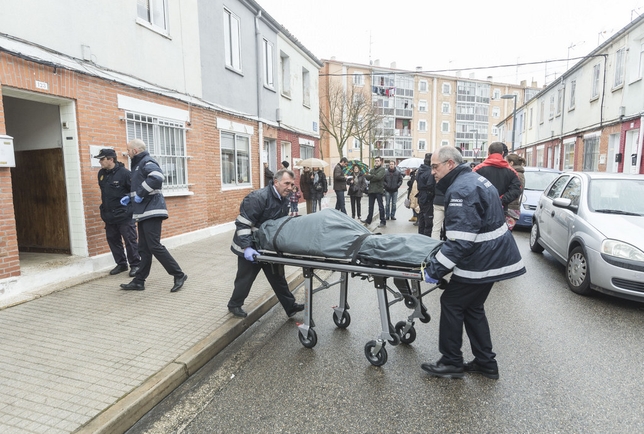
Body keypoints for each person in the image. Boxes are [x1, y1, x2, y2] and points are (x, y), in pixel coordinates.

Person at [421, 146, 526, 379]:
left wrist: (435, 269)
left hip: (482, 258)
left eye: (435, 167)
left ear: (450, 164)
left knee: (452, 303)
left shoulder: (461, 190)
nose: (432, 173)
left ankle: (451, 362)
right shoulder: (472, 180)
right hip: (492, 255)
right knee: (472, 307)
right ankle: (486, 363)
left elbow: (461, 241)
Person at [227, 169, 305, 318]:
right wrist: (247, 247)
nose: (290, 188)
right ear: (276, 182)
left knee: (278, 278)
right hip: (250, 247)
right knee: (245, 279)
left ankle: (290, 306)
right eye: (286, 183)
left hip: (267, 247)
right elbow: (243, 224)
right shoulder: (258, 198)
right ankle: (234, 305)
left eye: (292, 184)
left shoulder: (284, 199)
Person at [119, 139, 188, 293]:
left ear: (135, 151)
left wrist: (140, 194)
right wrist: (130, 199)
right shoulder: (138, 165)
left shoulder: (146, 161)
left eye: (128, 150)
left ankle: (179, 274)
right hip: (144, 212)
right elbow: (140, 189)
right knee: (143, 248)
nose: (127, 153)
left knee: (154, 246)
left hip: (152, 211)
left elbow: (157, 177)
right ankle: (139, 281)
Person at [95, 148, 141, 277]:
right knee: (113, 240)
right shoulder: (101, 174)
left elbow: (134, 192)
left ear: (111, 159)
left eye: (102, 159)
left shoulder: (125, 174)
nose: (100, 162)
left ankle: (136, 265)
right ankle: (121, 264)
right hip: (109, 214)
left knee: (130, 240)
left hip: (124, 214)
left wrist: (128, 206)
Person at [472, 142, 522, 217]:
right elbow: (516, 189)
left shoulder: (477, 170)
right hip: (501, 212)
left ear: (488, 153)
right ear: (502, 153)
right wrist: (501, 200)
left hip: (480, 211)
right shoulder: (512, 172)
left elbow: (470, 188)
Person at [361, 156, 386, 227]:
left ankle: (383, 221)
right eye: (375, 161)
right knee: (370, 206)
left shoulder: (382, 169)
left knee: (380, 206)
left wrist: (371, 176)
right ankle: (368, 220)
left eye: (378, 161)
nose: (376, 162)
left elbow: (378, 177)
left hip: (378, 190)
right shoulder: (372, 170)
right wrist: (372, 176)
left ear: (380, 162)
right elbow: (367, 177)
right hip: (371, 190)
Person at [415, 153, 435, 237]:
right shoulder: (429, 171)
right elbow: (430, 185)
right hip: (427, 196)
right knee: (428, 220)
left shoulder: (420, 170)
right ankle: (426, 238)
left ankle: (420, 236)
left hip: (421, 196)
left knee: (422, 218)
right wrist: (432, 193)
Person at [505, 153, 526, 230]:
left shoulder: (518, 174)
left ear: (511, 163)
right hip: (511, 208)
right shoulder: (516, 173)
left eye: (506, 162)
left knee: (506, 234)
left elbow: (516, 191)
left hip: (511, 208)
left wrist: (503, 199)